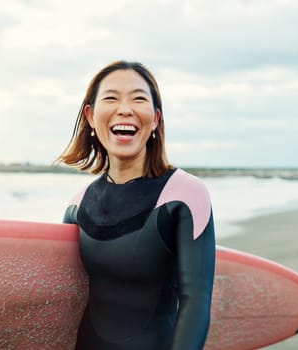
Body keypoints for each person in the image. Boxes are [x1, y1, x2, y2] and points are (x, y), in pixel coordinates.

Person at [56, 60, 216, 350]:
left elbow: (196, 301)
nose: (125, 108)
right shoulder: (77, 206)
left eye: (138, 98)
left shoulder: (184, 194)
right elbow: (63, 299)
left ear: (155, 119)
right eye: (111, 98)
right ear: (91, 116)